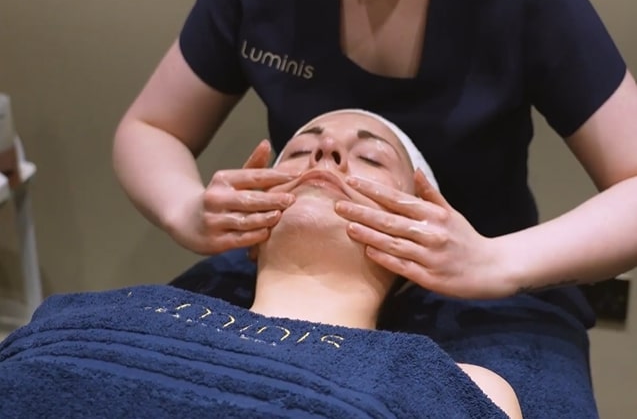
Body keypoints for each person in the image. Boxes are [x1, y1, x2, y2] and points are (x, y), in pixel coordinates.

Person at [112, 0, 637, 416]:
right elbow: (152, 126)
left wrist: (496, 262)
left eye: (367, 159)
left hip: (484, 288)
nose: (331, 154)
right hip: (287, 260)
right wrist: (185, 208)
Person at [0, 110, 522, 418]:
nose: (327, 153)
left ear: (416, 242)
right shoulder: (75, 317)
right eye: (298, 153)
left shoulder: (463, 388)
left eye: (370, 159)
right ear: (249, 229)